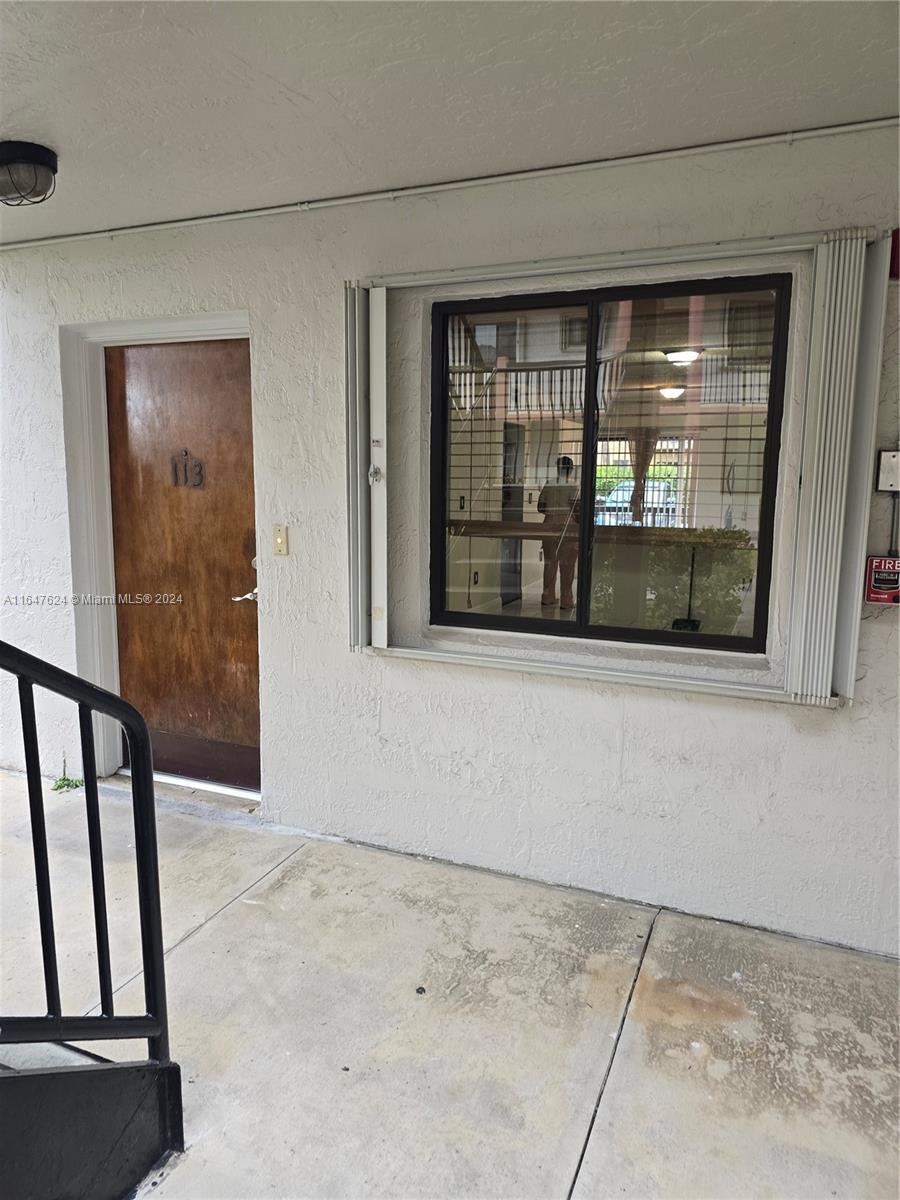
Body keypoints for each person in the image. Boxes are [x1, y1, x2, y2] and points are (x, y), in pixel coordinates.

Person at [537, 455, 579, 610]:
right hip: (567, 526)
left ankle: (547, 596)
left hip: (548, 525)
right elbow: (577, 509)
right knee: (567, 564)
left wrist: (551, 512)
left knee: (550, 563)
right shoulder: (573, 486)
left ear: (557, 468)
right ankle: (566, 600)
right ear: (571, 469)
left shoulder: (549, 484)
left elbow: (540, 507)